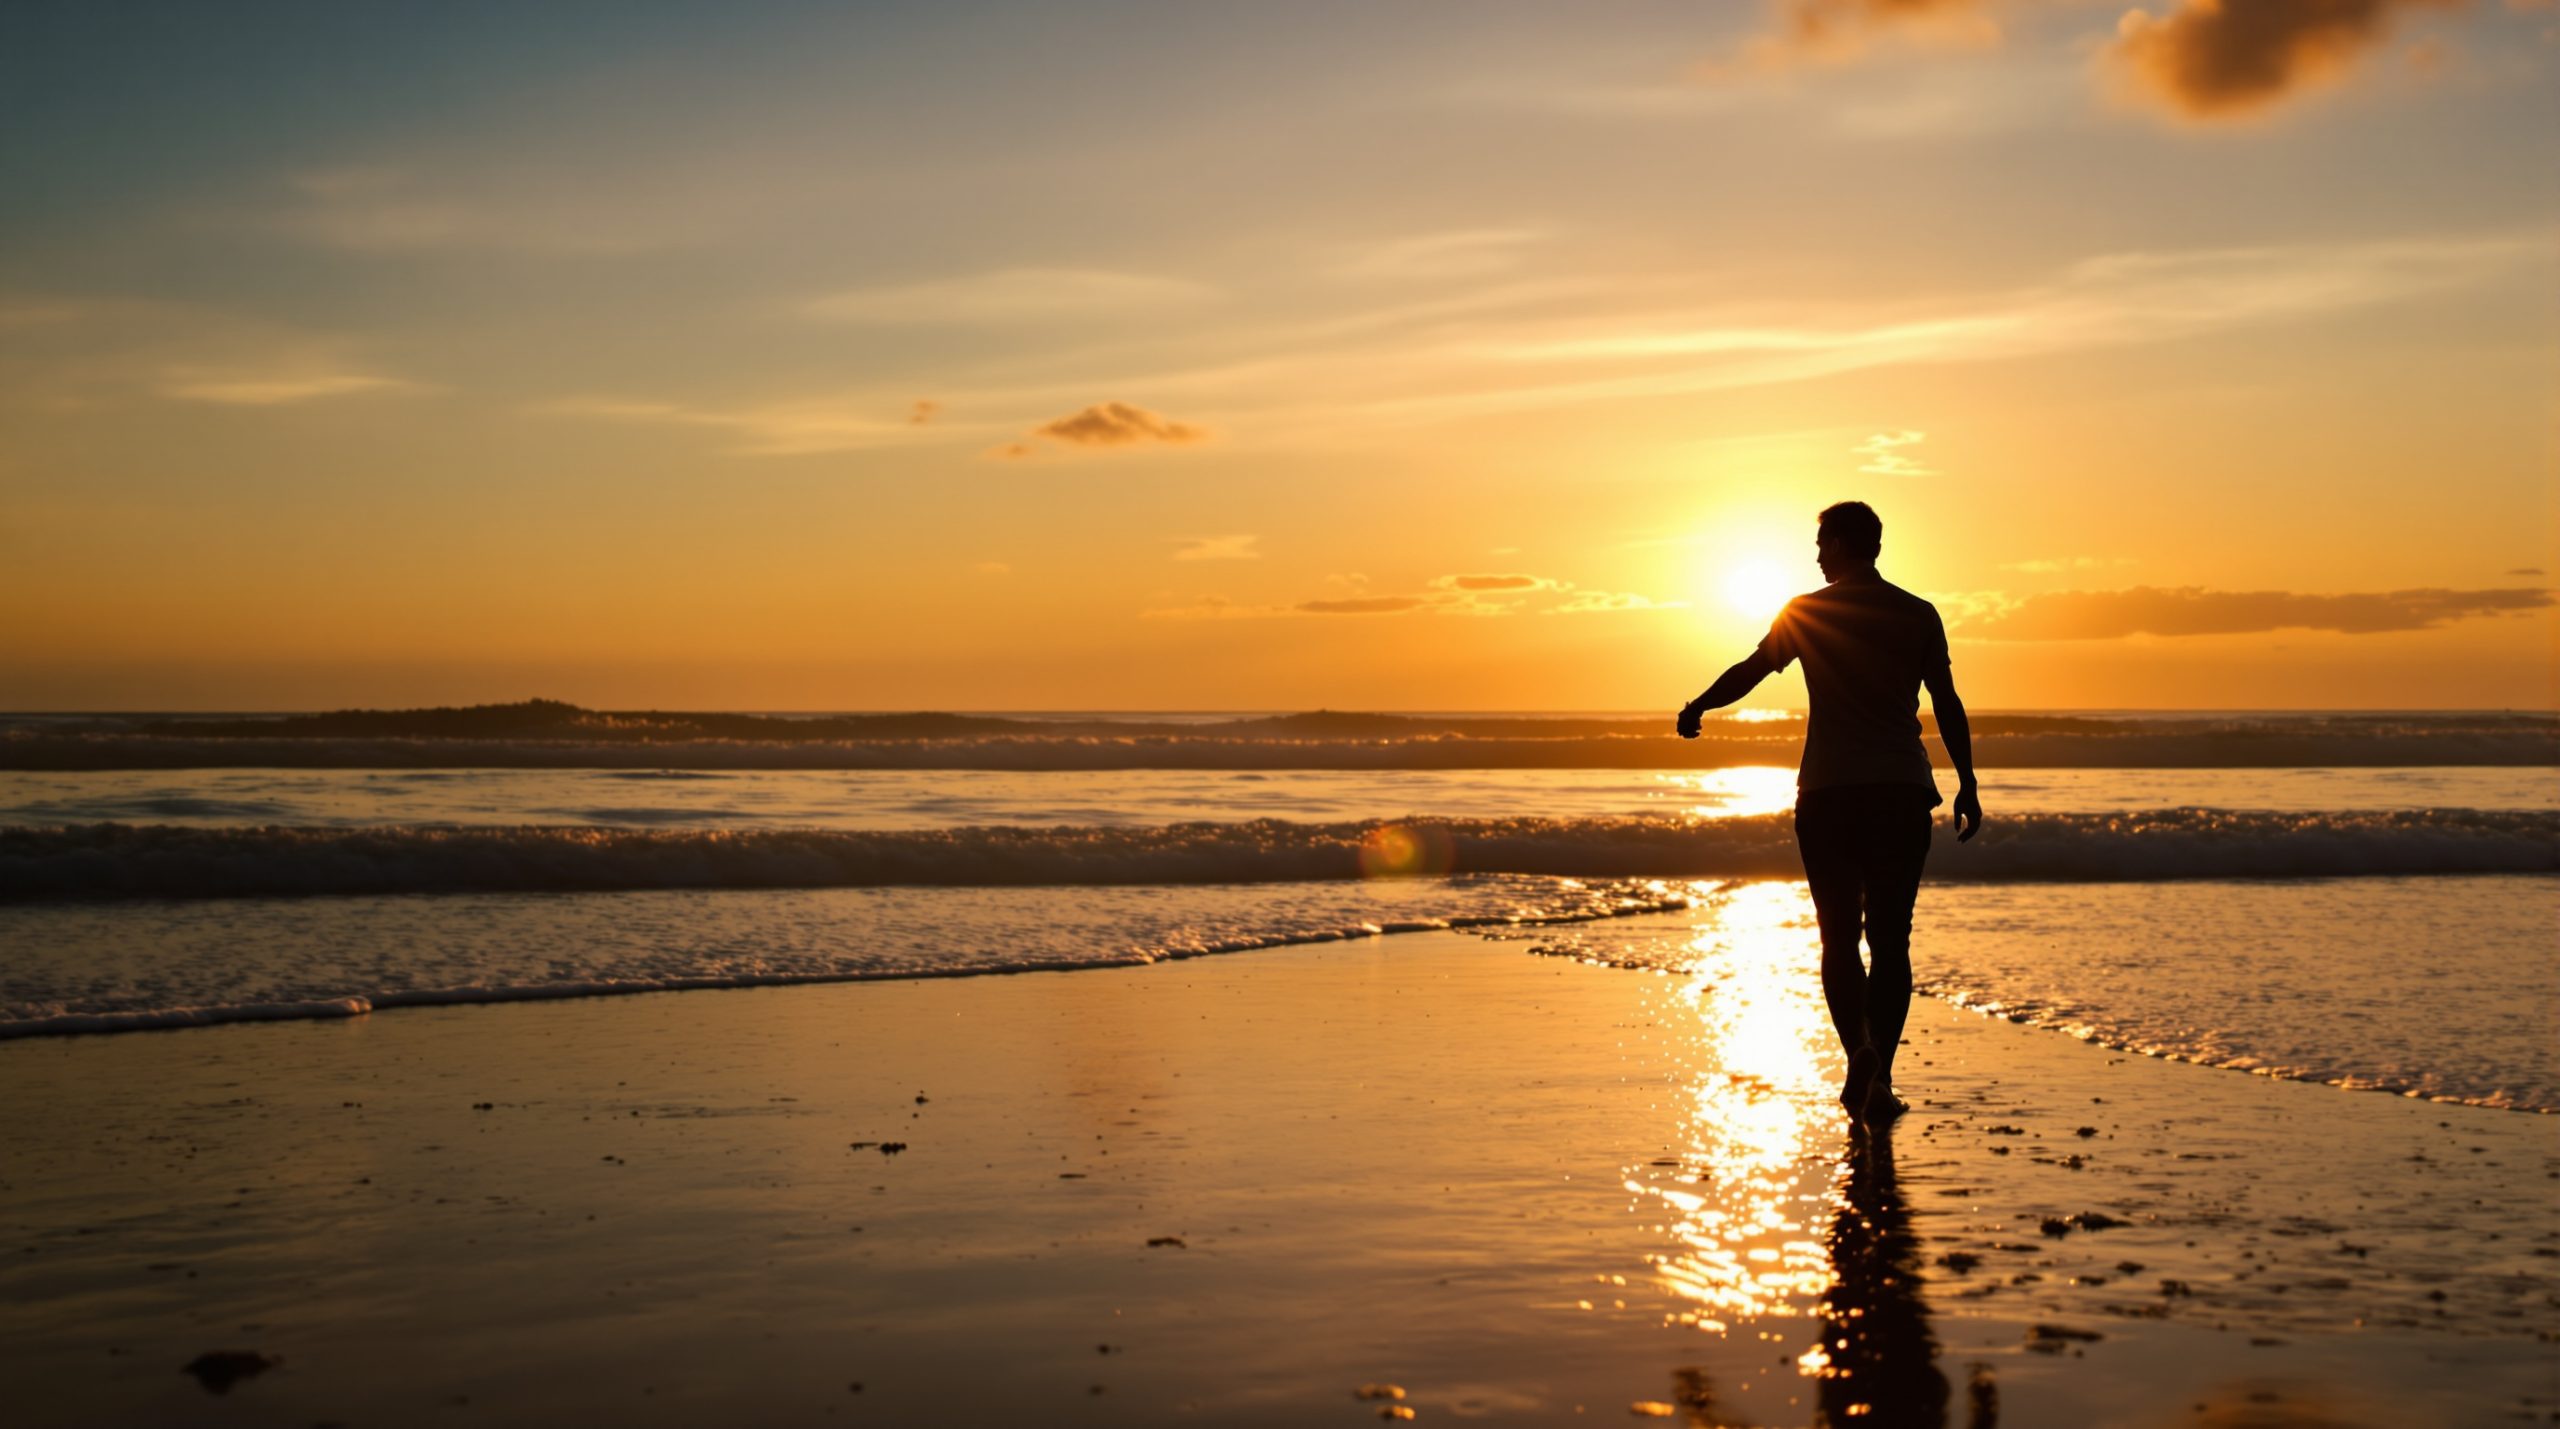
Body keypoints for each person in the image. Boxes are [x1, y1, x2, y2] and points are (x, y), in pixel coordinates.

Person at [1676, 501, 1981, 1126]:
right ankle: (1882, 1077)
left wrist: (1698, 706)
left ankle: (1860, 1053)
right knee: (1890, 939)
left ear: (1842, 543)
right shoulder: (1916, 613)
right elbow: (1945, 701)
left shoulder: (1807, 611)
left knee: (1838, 937)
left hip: (1829, 793)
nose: (1816, 554)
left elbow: (1752, 671)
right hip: (1899, 790)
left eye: (1821, 542)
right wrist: (1968, 783)